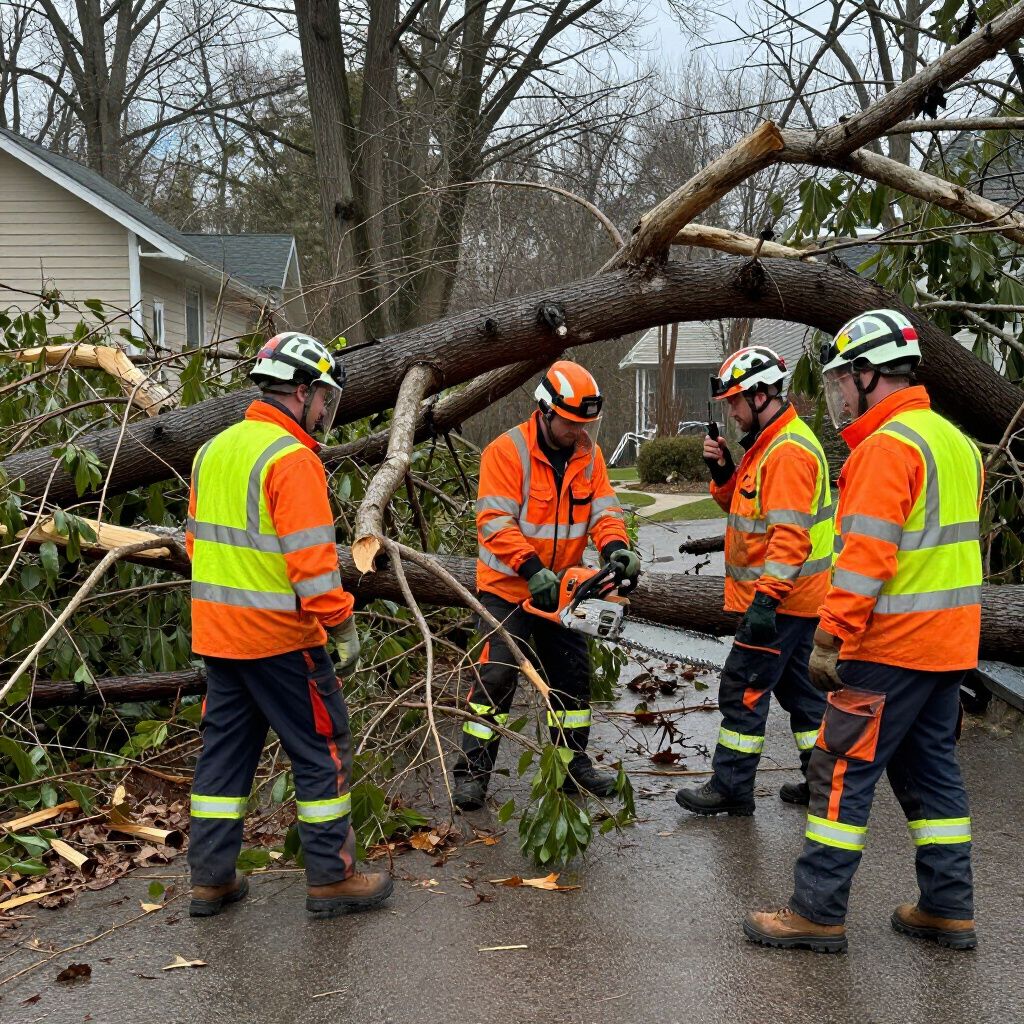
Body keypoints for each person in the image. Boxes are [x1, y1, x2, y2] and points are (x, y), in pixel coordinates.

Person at [745, 310, 982, 954]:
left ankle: (816, 912)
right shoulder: (954, 442)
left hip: (889, 648)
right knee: (932, 773)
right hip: (949, 645)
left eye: (844, 382)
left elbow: (866, 556)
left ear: (869, 373)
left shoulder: (887, 447)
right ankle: (947, 907)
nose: (841, 395)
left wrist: (829, 638)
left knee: (840, 770)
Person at [185, 331, 393, 919]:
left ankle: (210, 879)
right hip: (280, 639)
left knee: (222, 758)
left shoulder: (212, 451)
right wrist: (342, 625)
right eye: (323, 397)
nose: (326, 409)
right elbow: (312, 565)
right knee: (322, 748)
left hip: (219, 638)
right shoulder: (291, 458)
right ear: (300, 393)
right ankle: (332, 876)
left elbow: (196, 545)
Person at [452, 360, 641, 810]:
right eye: (572, 423)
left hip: (565, 592)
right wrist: (531, 567)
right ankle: (472, 773)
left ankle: (571, 766)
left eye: (585, 424)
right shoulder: (505, 452)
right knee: (495, 679)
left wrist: (616, 546)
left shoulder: (588, 455)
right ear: (545, 410)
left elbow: (604, 511)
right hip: (508, 588)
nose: (579, 432)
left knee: (572, 681)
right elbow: (494, 522)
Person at [675, 346, 832, 817]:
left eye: (736, 400)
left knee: (742, 689)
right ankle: (822, 780)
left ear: (761, 395)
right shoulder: (770, 445)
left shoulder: (786, 453)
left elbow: (789, 537)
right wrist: (723, 471)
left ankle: (732, 786)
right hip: (796, 600)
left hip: (779, 602)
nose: (732, 410)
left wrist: (764, 601)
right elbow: (744, 511)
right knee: (804, 698)